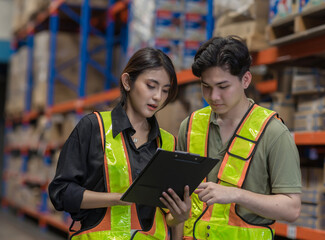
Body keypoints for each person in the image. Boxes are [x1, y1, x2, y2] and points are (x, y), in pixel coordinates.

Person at [48, 47, 191, 240]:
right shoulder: (93, 128)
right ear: (127, 82)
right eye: (151, 86)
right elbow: (62, 193)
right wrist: (115, 199)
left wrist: (179, 215)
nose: (158, 97)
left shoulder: (168, 143)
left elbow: (168, 217)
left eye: (165, 90)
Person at [176, 36, 302, 240]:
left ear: (246, 80)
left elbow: (292, 209)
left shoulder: (273, 133)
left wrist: (236, 194)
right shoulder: (189, 127)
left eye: (223, 87)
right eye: (206, 86)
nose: (213, 96)